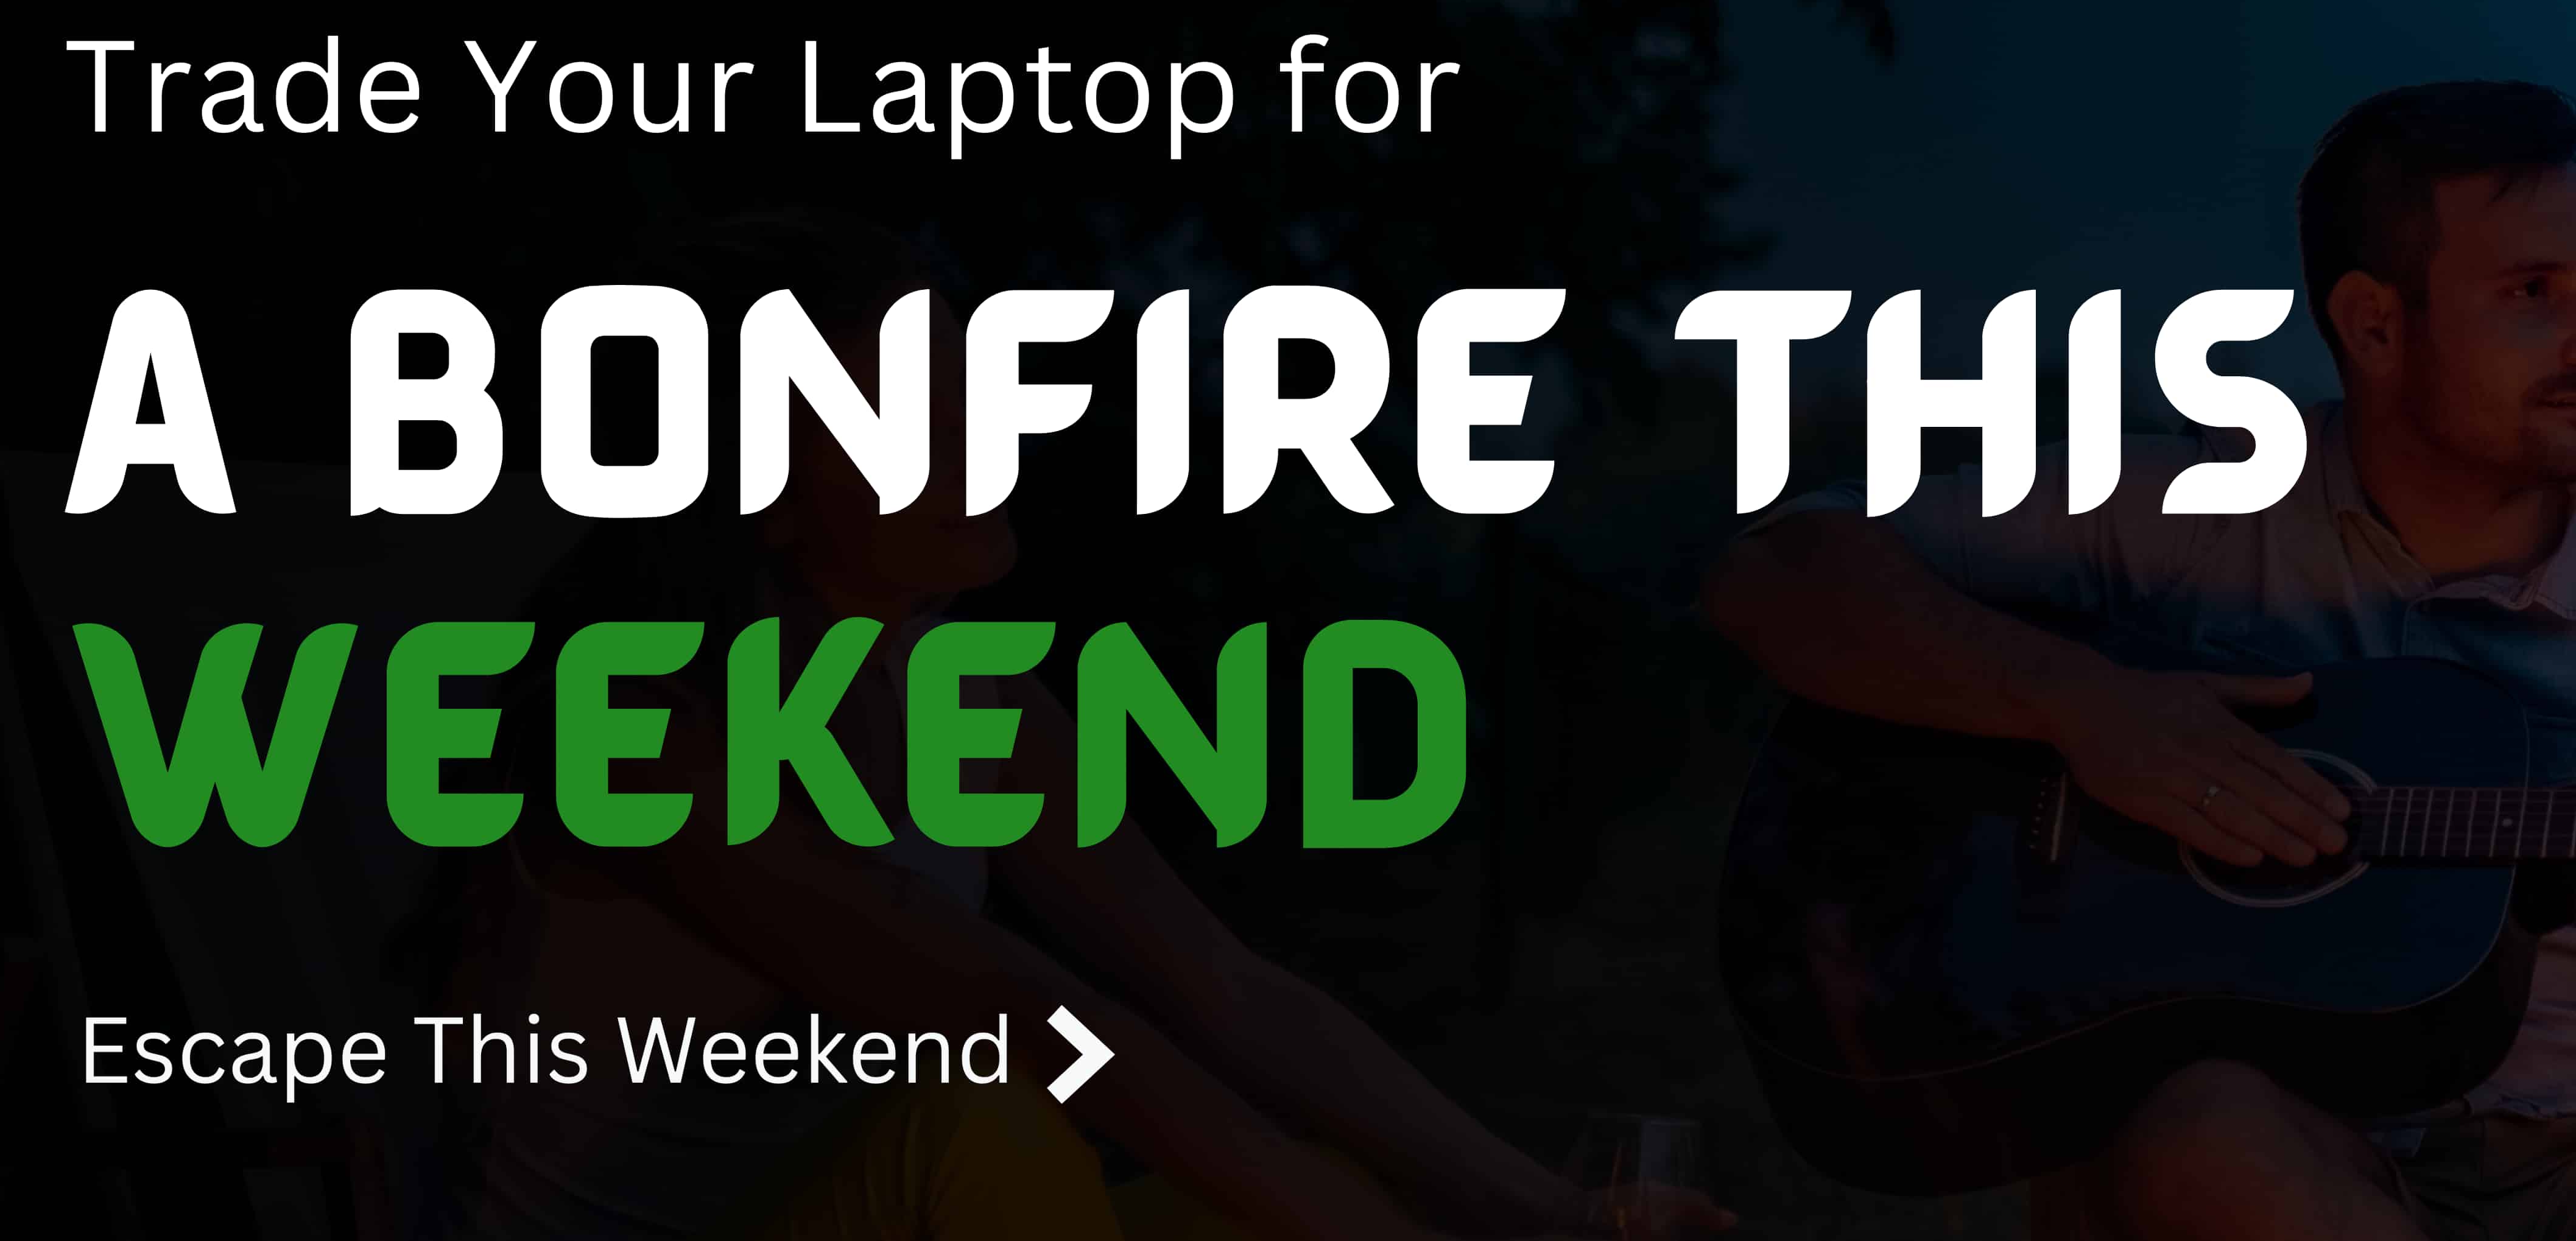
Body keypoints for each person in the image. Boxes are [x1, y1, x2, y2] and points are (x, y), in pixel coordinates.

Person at [1699, 80, 2576, 1241]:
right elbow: (1777, 568)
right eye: (2532, 294)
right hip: (2290, 1156)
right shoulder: (2189, 516)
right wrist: (2086, 708)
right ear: (2376, 326)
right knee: (2201, 1125)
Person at [439, 211, 1721, 1241]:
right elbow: (1022, 1013)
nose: (984, 434)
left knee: (1302, 1192)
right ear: (756, 492)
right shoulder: (638, 733)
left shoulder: (963, 696)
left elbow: (1226, 988)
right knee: (979, 1119)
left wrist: (1542, 1210)